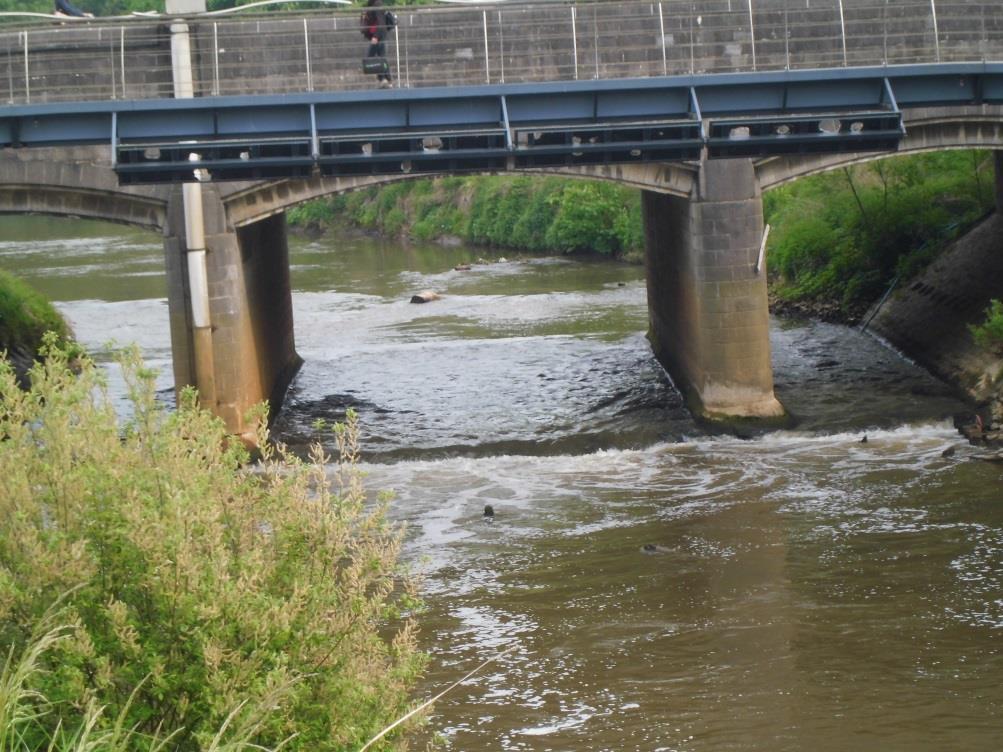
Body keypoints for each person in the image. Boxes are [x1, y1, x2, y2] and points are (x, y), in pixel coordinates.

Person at [361, 0, 392, 89]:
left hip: (379, 37)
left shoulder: (378, 4)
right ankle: (385, 80)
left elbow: (381, 23)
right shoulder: (370, 5)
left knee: (373, 57)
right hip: (377, 37)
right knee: (381, 58)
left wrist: (376, 36)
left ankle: (385, 79)